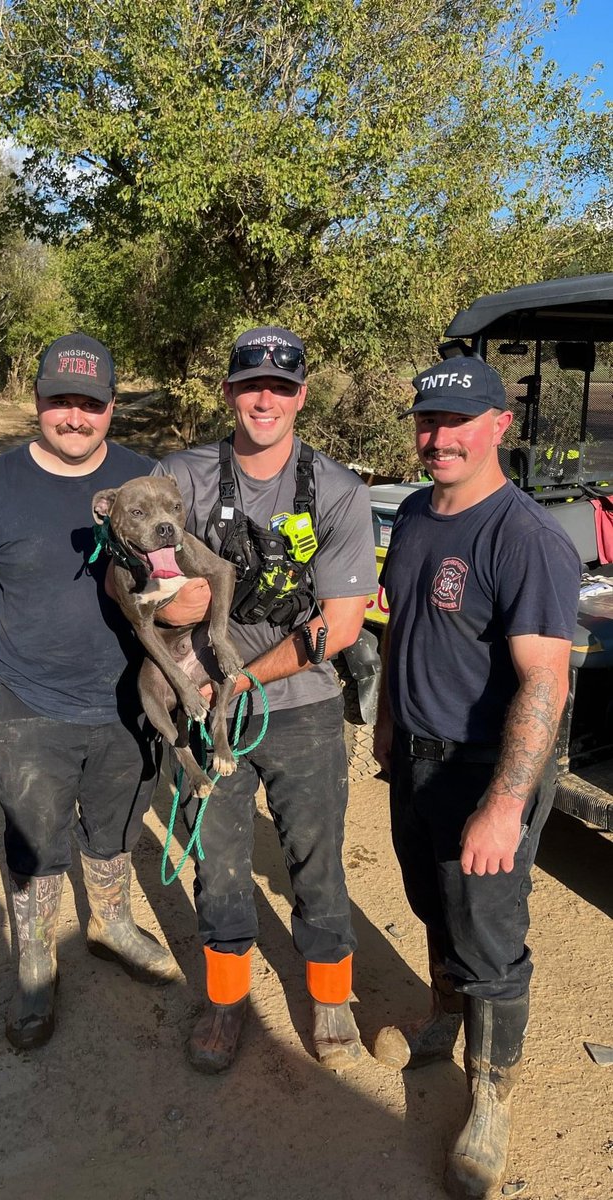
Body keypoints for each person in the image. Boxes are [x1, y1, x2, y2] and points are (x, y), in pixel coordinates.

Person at [371, 358, 580, 1199]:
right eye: (428, 421)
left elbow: (546, 682)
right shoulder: (415, 513)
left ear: (499, 425)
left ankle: (490, 1101)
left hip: (483, 769)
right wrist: (388, 721)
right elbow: (401, 625)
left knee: (489, 939)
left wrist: (504, 805)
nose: (439, 437)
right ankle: (444, 1014)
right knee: (433, 902)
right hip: (414, 757)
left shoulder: (524, 538)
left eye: (458, 423)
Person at [0, 333, 179, 1051]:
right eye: (60, 401)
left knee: (115, 827)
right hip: (29, 702)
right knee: (34, 838)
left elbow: (180, 580)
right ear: (37, 400)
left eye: (91, 403)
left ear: (111, 406)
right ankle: (36, 959)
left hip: (131, 699)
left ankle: (111, 924)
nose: (75, 417)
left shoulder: (145, 478)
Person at [154, 326, 378, 1073]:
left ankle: (331, 996)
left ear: (301, 397)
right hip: (202, 704)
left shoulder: (339, 491)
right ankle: (226, 1001)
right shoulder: (181, 477)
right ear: (229, 392)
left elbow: (340, 625)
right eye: (251, 384)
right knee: (216, 858)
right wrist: (168, 603)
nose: (264, 399)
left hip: (302, 705)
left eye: (281, 387)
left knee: (315, 856)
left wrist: (244, 678)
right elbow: (135, 573)